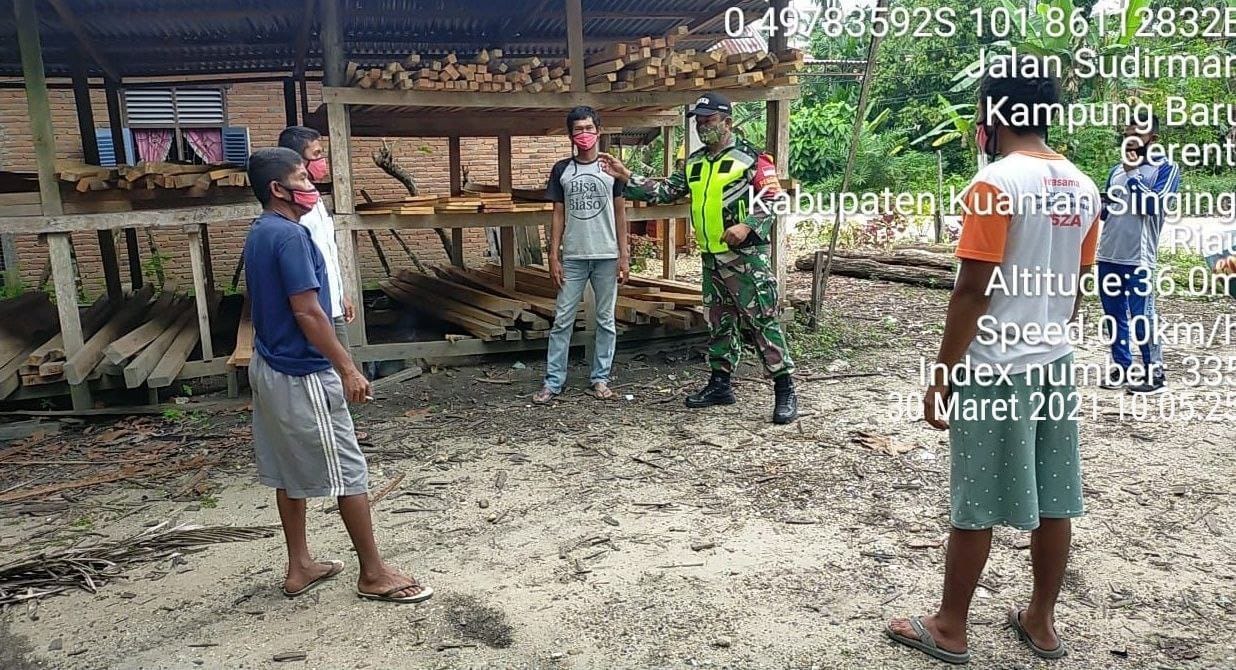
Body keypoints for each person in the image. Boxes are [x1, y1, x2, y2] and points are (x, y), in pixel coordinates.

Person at [886, 56, 1100, 664]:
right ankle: (1041, 620)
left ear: (994, 114)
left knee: (975, 499)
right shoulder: (1083, 186)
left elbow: (971, 291)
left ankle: (950, 626)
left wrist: (942, 376)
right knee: (1055, 497)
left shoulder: (995, 185)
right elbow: (1076, 285)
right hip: (1054, 361)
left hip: (995, 365)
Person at [243, 147, 431, 604]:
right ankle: (373, 573)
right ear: (278, 189)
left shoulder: (259, 232)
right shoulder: (289, 236)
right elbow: (308, 312)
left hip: (268, 365)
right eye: (304, 178)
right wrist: (346, 367)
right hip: (302, 371)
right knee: (350, 472)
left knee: (289, 471)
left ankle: (300, 565)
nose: (311, 186)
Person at [599, 92, 798, 424]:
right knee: (719, 323)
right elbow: (663, 192)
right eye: (700, 122)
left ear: (727, 122)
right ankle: (720, 384)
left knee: (761, 320)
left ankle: (784, 389)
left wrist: (747, 225)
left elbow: (776, 199)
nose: (703, 127)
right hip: (711, 257)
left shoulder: (751, 158)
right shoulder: (694, 162)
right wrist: (625, 176)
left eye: (709, 121)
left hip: (745, 257)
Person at [533, 107, 629, 403]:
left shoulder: (612, 168)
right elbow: (558, 214)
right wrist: (553, 254)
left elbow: (620, 213)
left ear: (598, 131)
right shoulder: (562, 170)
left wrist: (624, 256)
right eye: (578, 129)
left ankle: (600, 379)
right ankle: (553, 382)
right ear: (571, 135)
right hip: (573, 256)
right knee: (562, 319)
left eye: (588, 128)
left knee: (605, 320)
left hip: (607, 255)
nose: (583, 134)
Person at [1096, 113, 1181, 394]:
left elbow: (1153, 206)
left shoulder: (1165, 168)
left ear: (1152, 139)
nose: (1129, 141)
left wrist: (1133, 173)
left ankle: (1154, 374)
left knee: (1142, 315)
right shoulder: (1115, 171)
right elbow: (1108, 213)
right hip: (1109, 254)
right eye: (1126, 135)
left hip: (1139, 257)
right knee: (1114, 314)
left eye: (1136, 136)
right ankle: (1121, 367)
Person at [277, 126, 355, 348]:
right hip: (315, 307)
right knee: (337, 371)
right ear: (297, 160)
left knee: (344, 369)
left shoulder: (314, 197)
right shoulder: (291, 207)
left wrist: (342, 294)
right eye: (317, 154)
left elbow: (327, 250)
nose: (322, 161)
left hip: (333, 302)